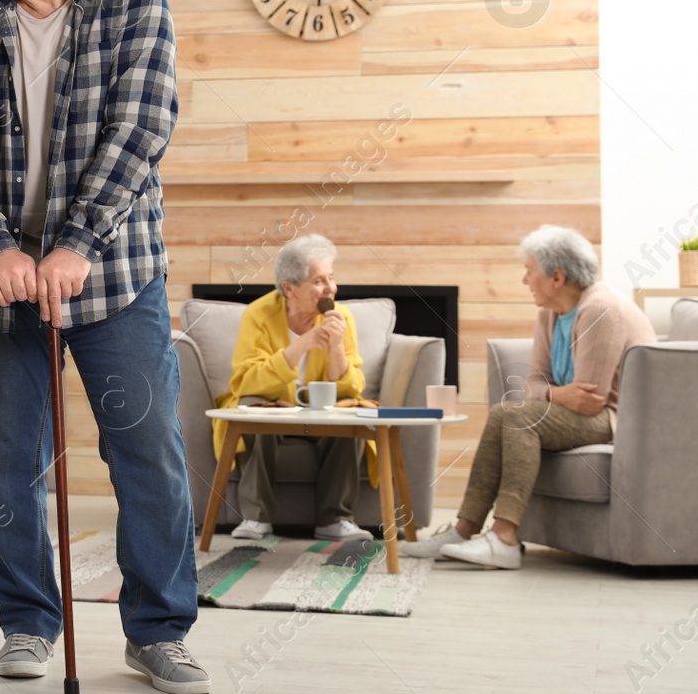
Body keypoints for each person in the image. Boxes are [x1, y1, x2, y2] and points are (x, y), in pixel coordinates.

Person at [0, 0, 208, 694]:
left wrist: (77, 243)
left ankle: (158, 631)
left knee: (147, 453)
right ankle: (26, 621)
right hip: (5, 290)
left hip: (116, 279)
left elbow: (140, 128)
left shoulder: (135, 5)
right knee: (9, 464)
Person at [403, 225, 655, 569]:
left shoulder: (600, 309)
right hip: (580, 415)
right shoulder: (549, 312)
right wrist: (555, 392)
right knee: (504, 412)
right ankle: (464, 530)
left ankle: (504, 537)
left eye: (529, 270)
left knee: (520, 415)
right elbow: (533, 383)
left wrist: (547, 393)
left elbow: (589, 399)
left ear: (557, 277)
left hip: (614, 419)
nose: (525, 280)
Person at [220, 234, 369, 542]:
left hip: (319, 415)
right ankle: (256, 517)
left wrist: (337, 346)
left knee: (351, 415)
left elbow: (349, 389)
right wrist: (300, 346)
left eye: (331, 278)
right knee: (251, 405)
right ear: (289, 288)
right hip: (276, 409)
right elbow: (246, 381)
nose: (330, 289)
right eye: (318, 281)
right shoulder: (258, 314)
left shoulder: (342, 318)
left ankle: (334, 519)